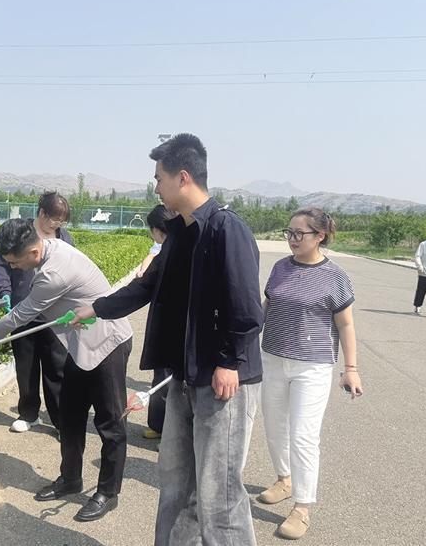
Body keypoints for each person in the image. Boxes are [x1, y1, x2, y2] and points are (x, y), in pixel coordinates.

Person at [73, 133, 263, 546]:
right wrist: (97, 308)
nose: (155, 187)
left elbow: (247, 307)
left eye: (158, 178)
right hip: (184, 376)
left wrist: (229, 361)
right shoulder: (180, 233)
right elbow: (147, 286)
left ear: (182, 177)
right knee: (176, 482)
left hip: (222, 379)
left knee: (219, 495)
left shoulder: (226, 230)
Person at [0, 218, 133, 522]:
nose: (12, 267)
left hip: (108, 345)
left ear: (32, 253)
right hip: (80, 346)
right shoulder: (49, 249)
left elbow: (22, 315)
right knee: (70, 416)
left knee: (110, 423)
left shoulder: (54, 274)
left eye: (13, 262)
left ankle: (107, 492)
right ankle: (70, 479)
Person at [257, 208, 363, 540]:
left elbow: (345, 324)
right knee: (274, 427)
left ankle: (302, 507)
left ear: (320, 236)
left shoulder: (335, 276)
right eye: (288, 232)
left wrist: (351, 369)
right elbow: (268, 307)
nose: (292, 239)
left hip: (312, 366)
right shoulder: (280, 267)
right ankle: (284, 479)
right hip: (273, 358)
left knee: (303, 435)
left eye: (299, 234)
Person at [0, 192, 73, 433]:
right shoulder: (20, 233)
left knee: (56, 368)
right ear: (42, 213)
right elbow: (2, 264)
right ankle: (28, 414)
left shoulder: (64, 238)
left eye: (61, 221)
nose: (57, 224)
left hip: (54, 316)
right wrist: (5, 292)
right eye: (54, 219)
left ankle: (60, 421)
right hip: (23, 311)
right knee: (25, 367)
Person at [136, 204, 174, 440]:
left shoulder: (173, 252)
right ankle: (160, 427)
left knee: (167, 379)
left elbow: (140, 288)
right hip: (167, 324)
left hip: (170, 326)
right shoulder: (170, 247)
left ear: (156, 230)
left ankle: (167, 431)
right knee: (163, 376)